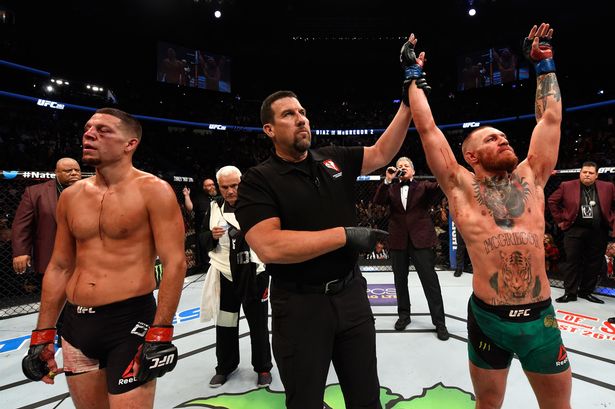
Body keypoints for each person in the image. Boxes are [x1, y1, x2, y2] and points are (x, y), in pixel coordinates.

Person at [235, 34, 426, 409]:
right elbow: (269, 246)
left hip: (351, 295)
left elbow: (384, 151)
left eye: (303, 112)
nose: (301, 119)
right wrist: (344, 235)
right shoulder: (258, 180)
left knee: (366, 398)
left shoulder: (331, 158)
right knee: (305, 401)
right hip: (300, 305)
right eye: (289, 115)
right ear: (270, 130)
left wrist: (408, 98)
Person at [407, 23, 572, 408]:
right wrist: (412, 76)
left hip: (541, 320)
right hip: (488, 320)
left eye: (505, 137)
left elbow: (550, 121)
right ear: (471, 156)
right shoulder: (461, 186)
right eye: (492, 139)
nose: (504, 140)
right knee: (488, 404)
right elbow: (427, 128)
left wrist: (545, 66)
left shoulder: (532, 175)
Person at [21, 108, 186, 409]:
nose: (89, 134)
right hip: (75, 325)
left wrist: (161, 332)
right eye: (87, 128)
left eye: (103, 130)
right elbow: (60, 265)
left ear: (130, 143)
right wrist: (42, 335)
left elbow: (175, 262)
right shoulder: (71, 196)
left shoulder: (155, 191)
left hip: (130, 322)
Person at [202, 165, 273, 389]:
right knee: (224, 324)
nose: (231, 191)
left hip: (255, 272)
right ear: (218, 188)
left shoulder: (258, 205)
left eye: (235, 185)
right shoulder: (213, 208)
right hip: (225, 274)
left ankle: (263, 368)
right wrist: (211, 237)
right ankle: (224, 367)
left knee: (258, 324)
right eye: (225, 187)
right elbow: (201, 239)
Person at [373, 157, 448, 339]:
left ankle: (439, 322)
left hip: (421, 240)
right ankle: (403, 316)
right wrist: (387, 179)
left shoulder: (423, 187)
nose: (402, 168)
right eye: (399, 166)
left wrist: (441, 170)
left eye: (406, 166)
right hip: (398, 241)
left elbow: (439, 187)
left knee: (430, 282)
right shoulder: (390, 188)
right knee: (400, 281)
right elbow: (377, 202)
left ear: (413, 171)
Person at [547, 161, 615, 304]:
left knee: (594, 263)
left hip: (599, 230)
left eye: (591, 173)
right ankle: (570, 293)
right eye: (584, 172)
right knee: (572, 262)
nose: (587, 175)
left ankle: (586, 292)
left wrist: (611, 218)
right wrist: (560, 220)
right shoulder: (567, 185)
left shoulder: (608, 187)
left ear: (596, 175)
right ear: (580, 173)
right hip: (574, 229)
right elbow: (552, 201)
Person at [12, 157, 81, 291]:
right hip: (51, 255)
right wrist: (20, 252)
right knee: (54, 299)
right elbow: (22, 225)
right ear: (56, 172)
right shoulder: (35, 192)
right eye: (68, 171)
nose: (74, 173)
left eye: (77, 170)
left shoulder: (90, 190)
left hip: (84, 256)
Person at [183, 178, 219, 270]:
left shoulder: (219, 197)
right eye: (209, 185)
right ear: (204, 187)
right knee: (206, 253)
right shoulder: (199, 198)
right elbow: (190, 208)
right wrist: (187, 196)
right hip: (204, 231)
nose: (212, 187)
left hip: (218, 229)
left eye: (212, 184)